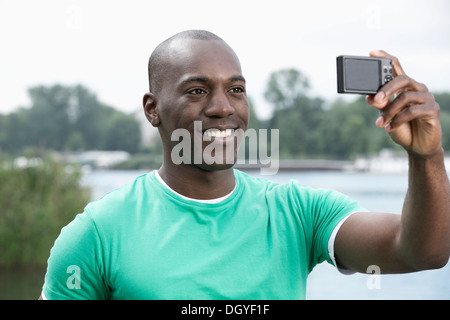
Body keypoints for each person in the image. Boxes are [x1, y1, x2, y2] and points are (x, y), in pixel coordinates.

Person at [40, 30, 449, 300]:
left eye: (236, 90)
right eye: (197, 90)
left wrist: (426, 156)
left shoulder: (299, 213)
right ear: (153, 110)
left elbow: (422, 253)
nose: (223, 107)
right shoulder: (96, 233)